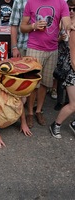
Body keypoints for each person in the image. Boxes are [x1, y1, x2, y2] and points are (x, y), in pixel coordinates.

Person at [20, 0, 71, 128]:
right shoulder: (31, 2)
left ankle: (38, 110)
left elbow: (66, 22)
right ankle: (30, 113)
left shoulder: (61, 3)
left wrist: (69, 27)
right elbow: (22, 27)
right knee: (33, 83)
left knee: (45, 84)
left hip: (52, 50)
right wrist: (34, 26)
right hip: (34, 48)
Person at [49, 0, 75, 139]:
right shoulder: (70, 29)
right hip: (70, 69)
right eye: (70, 8)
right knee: (72, 104)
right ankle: (56, 124)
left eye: (74, 9)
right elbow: (73, 58)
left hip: (70, 68)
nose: (71, 11)